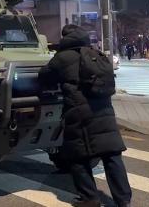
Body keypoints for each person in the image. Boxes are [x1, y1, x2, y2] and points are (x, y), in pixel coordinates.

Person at [39, 24, 132, 207]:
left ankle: (89, 198)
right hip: (104, 111)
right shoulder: (96, 55)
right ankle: (124, 200)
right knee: (112, 155)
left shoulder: (62, 58)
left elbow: (44, 77)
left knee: (77, 156)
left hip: (79, 113)